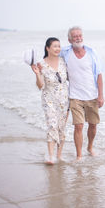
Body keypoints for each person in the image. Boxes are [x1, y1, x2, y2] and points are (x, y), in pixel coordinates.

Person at [60, 26, 104, 161]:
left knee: (93, 125)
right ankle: (79, 155)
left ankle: (90, 147)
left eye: (80, 35)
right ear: (69, 39)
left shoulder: (92, 53)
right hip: (75, 96)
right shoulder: (65, 53)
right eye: (75, 36)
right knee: (78, 126)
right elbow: (53, 61)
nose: (78, 38)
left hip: (92, 95)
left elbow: (99, 75)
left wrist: (101, 95)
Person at [31, 37, 69, 165]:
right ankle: (51, 156)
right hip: (49, 99)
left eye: (59, 46)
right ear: (47, 48)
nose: (58, 48)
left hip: (64, 99)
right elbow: (40, 86)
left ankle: (59, 155)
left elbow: (70, 79)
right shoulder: (41, 64)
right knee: (52, 125)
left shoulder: (64, 62)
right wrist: (37, 73)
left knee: (61, 127)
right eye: (55, 46)